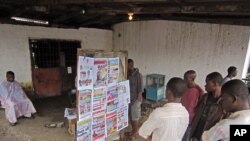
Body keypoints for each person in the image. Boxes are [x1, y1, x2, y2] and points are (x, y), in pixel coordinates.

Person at [190, 72, 228, 141]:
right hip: (195, 135)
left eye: (207, 83)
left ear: (215, 84)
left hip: (209, 138)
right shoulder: (204, 97)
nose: (205, 85)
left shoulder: (225, 103)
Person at [181, 70, 204, 141]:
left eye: (186, 79)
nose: (184, 80)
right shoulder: (185, 88)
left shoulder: (198, 91)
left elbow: (200, 104)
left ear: (192, 79)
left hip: (190, 118)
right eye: (184, 78)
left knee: (186, 135)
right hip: (181, 115)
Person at [127, 59, 143, 139]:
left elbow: (140, 91)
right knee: (131, 117)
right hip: (129, 100)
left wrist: (137, 102)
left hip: (136, 100)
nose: (127, 68)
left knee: (135, 118)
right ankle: (133, 131)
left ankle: (135, 134)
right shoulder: (127, 75)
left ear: (131, 65)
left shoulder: (138, 75)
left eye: (129, 66)